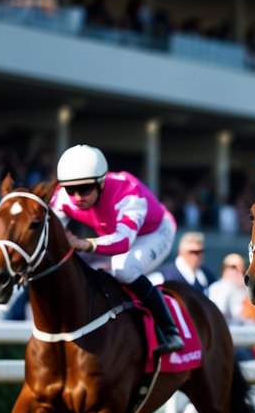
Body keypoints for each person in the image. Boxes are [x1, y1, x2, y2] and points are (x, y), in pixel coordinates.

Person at [49, 144, 182, 356]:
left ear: (101, 182)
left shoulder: (128, 192)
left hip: (154, 232)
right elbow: (49, 230)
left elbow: (122, 243)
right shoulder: (64, 197)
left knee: (124, 269)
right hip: (115, 233)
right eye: (70, 189)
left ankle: (170, 330)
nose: (76, 197)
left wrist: (85, 243)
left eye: (84, 189)